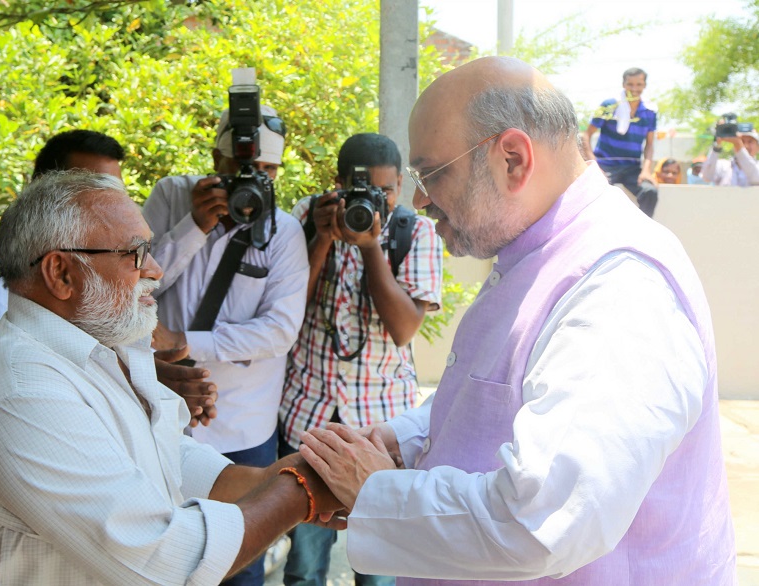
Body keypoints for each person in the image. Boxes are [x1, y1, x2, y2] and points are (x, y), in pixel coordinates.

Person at [300, 56, 735, 584]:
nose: (420, 200)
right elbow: (499, 391)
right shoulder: (538, 251)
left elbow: (543, 522)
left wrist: (375, 490)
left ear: (512, 159)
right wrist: (404, 439)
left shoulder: (620, 289)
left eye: (432, 173)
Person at [0, 170, 343, 585]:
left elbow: (161, 458)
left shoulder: (94, 344)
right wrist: (297, 491)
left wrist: (265, 479)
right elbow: (168, 562)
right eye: (136, 253)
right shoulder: (20, 392)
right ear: (62, 273)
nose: (157, 270)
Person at [0, 129, 217, 426]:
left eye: (115, 190)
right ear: (44, 191)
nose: (152, 270)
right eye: (91, 187)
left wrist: (139, 377)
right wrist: (127, 386)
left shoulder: (101, 268)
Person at [142, 105, 308, 586]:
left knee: (240, 562)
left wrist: (183, 341)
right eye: (240, 168)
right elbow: (136, 283)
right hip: (164, 414)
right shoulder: (173, 196)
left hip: (243, 427)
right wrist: (193, 226)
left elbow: (279, 329)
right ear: (216, 158)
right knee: (163, 552)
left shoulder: (284, 232)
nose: (253, 181)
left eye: (267, 171)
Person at [279, 133, 443, 586]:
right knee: (306, 564)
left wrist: (370, 246)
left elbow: (403, 328)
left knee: (379, 567)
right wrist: (323, 241)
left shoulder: (417, 232)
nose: (376, 200)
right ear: (337, 183)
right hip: (307, 417)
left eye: (386, 191)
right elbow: (288, 311)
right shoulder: (309, 217)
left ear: (399, 189)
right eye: (362, 190)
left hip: (380, 424)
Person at [581, 67, 659, 216]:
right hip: (606, 165)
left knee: (650, 192)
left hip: (632, 168)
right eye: (630, 84)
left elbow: (649, 144)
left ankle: (642, 232)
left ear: (644, 86)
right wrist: (595, 165)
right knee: (595, 193)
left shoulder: (650, 111)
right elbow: (586, 135)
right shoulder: (609, 106)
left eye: (639, 84)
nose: (634, 89)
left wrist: (646, 170)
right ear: (624, 84)